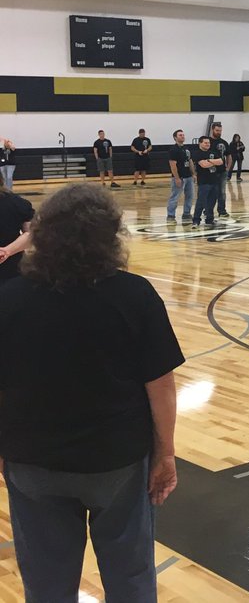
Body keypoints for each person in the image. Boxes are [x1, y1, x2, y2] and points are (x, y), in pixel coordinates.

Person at [0, 183, 184, 601]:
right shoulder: (135, 295)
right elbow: (161, 385)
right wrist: (166, 454)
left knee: (46, 584)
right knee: (131, 577)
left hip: (32, 461)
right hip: (115, 463)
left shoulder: (7, 300)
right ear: (111, 237)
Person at [0, 181, 34, 285]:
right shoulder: (18, 203)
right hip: (11, 271)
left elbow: (31, 234)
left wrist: (7, 251)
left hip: (11, 270)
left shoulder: (17, 203)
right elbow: (30, 234)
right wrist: (6, 251)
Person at [191, 136, 223, 229]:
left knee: (212, 202)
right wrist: (214, 162)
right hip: (204, 182)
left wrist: (209, 160)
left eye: (208, 143)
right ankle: (196, 220)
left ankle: (209, 219)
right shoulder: (197, 153)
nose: (207, 144)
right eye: (205, 143)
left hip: (214, 181)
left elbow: (221, 161)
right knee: (201, 202)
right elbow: (203, 165)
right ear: (200, 143)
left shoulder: (213, 152)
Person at [165, 129, 194, 224]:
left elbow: (190, 161)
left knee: (190, 196)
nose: (182, 136)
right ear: (175, 137)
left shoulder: (187, 148)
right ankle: (171, 215)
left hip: (188, 176)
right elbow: (172, 164)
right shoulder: (173, 150)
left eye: (183, 135)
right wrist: (176, 178)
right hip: (179, 177)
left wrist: (193, 174)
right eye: (180, 135)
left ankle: (186, 213)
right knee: (175, 196)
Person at [209, 123, 232, 219]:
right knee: (210, 191)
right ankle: (208, 210)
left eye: (220, 131)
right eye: (217, 130)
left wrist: (228, 168)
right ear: (212, 130)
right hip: (210, 172)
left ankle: (222, 210)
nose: (219, 132)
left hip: (222, 171)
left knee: (222, 192)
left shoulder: (224, 143)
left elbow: (229, 156)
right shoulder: (207, 142)